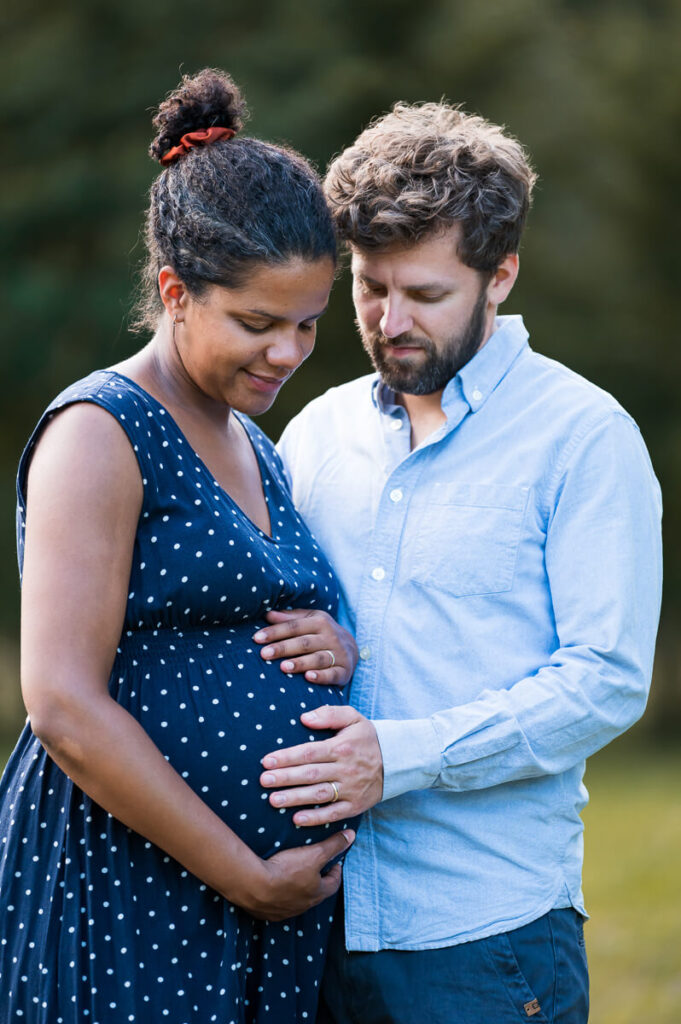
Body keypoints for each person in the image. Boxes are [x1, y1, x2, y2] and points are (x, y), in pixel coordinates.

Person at [252, 101, 663, 1023]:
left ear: (500, 275)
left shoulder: (584, 437)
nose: (390, 321)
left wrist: (397, 757)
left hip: (483, 940)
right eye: (368, 287)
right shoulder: (314, 433)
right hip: (307, 923)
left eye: (426, 296)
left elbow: (603, 681)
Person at [0, 68, 361, 1024]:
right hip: (132, 889)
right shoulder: (101, 431)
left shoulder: (255, 441)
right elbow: (63, 706)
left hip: (264, 908)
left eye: (308, 325)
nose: (286, 353)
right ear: (175, 292)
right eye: (256, 323)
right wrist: (243, 872)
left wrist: (339, 644)